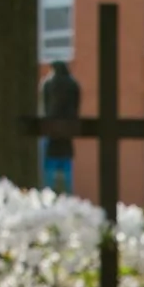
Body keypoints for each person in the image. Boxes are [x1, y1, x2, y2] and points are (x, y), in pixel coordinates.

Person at [40, 61, 80, 195]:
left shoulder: (48, 83)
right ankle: (67, 199)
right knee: (67, 176)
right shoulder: (73, 84)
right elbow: (76, 108)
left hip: (51, 134)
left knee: (49, 177)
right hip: (67, 135)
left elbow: (45, 108)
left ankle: (48, 201)